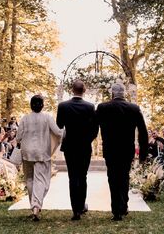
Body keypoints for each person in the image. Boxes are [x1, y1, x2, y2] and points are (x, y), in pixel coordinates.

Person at [96, 83, 148, 221]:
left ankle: (116, 211)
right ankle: (123, 206)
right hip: (126, 149)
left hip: (110, 149)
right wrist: (143, 153)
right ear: (124, 93)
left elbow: (93, 126)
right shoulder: (133, 108)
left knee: (112, 178)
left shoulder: (102, 107)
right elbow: (143, 131)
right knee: (124, 176)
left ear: (112, 93)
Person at [56, 79, 98, 221]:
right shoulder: (90, 107)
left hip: (70, 146)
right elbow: (95, 129)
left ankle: (76, 210)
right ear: (84, 90)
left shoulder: (63, 106)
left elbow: (59, 125)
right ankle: (81, 205)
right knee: (83, 176)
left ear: (72, 90)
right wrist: (88, 140)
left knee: (72, 177)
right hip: (85, 146)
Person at [16, 95, 62, 221]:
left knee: (30, 179)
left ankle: (33, 206)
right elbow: (58, 132)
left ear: (31, 105)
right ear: (42, 105)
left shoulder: (25, 118)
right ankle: (36, 205)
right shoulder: (47, 117)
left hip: (27, 152)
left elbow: (18, 136)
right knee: (41, 180)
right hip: (42, 153)